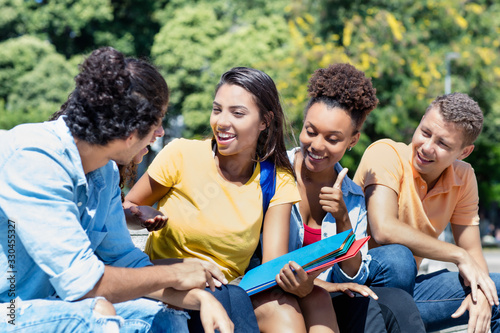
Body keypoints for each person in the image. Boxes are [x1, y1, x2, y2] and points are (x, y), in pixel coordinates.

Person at [0, 47, 233, 333]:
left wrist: (198, 297)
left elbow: (124, 261)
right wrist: (176, 272)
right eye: (156, 123)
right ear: (129, 135)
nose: (160, 133)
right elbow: (85, 285)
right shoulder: (33, 157)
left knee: (167, 317)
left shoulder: (106, 172)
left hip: (58, 304)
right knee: (98, 314)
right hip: (8, 309)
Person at [124, 66, 304, 332]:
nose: (222, 122)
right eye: (217, 109)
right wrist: (140, 215)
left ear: (265, 121)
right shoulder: (181, 154)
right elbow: (124, 208)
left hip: (233, 291)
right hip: (171, 286)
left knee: (283, 313)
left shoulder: (278, 181)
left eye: (237, 113)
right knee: (227, 298)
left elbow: (270, 270)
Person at [285, 63, 425, 332]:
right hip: (283, 293)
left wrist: (342, 219)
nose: (316, 145)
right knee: (371, 308)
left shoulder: (352, 195)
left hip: (328, 295)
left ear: (352, 140)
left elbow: (352, 274)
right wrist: (320, 286)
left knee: (398, 303)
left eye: (333, 139)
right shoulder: (276, 173)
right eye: (310, 131)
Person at [354, 92, 500, 332]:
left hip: (405, 295)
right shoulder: (385, 153)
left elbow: (472, 250)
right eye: (425, 132)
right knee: (398, 258)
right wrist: (458, 256)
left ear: (464, 152)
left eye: (443, 144)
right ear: (421, 120)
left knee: (496, 292)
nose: (427, 147)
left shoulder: (464, 177)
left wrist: (482, 292)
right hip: (356, 287)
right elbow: (384, 229)